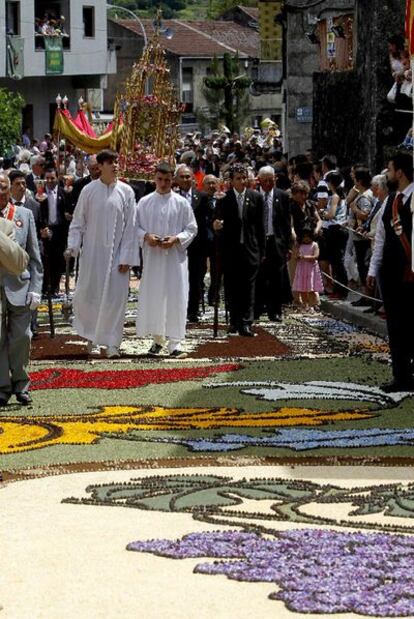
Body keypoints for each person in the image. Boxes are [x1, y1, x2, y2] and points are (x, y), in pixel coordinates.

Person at [66, 149, 137, 358]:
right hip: (92, 256)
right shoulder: (88, 191)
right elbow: (78, 223)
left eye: (117, 162)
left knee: (116, 300)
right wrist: (72, 247)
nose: (115, 166)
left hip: (118, 257)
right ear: (101, 166)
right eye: (111, 163)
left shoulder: (127, 192)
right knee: (91, 297)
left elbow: (131, 227)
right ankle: (93, 340)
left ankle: (113, 343)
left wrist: (127, 257)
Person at [135, 161, 198, 358]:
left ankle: (175, 343)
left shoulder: (181, 203)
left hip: (174, 260)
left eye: (167, 180)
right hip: (153, 259)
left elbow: (191, 228)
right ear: (154, 179)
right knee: (154, 297)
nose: (163, 184)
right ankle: (157, 340)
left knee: (175, 297)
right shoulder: (144, 202)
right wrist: (146, 236)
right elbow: (133, 227)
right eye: (160, 179)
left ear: (173, 180)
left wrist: (176, 239)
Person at [367, 152, 414, 392]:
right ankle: (401, 377)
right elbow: (382, 237)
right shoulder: (391, 200)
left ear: (400, 172)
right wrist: (373, 270)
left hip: (411, 274)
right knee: (395, 327)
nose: (387, 173)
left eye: (390, 169)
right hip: (391, 274)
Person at [0, 173, 42, 406]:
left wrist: (36, 288)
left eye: (3, 187)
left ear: (10, 189)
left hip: (20, 285)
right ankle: (2, 387)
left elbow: (35, 257)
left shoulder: (24, 215)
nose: (0, 192)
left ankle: (21, 384)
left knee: (22, 338)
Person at [213, 163, 265, 336]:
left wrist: (261, 252)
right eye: (238, 178)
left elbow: (260, 228)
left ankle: (246, 322)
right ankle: (235, 321)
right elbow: (216, 221)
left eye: (244, 178)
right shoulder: (224, 199)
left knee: (249, 287)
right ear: (232, 181)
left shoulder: (256, 198)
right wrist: (216, 225)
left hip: (250, 249)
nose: (242, 181)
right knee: (232, 286)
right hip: (231, 250)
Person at [255, 165, 293, 322]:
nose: (269, 183)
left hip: (276, 242)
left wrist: (288, 246)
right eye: (265, 180)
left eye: (272, 180)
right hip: (258, 243)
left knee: (277, 278)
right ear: (259, 181)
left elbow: (286, 222)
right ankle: (256, 309)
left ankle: (275, 311)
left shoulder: (282, 196)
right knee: (258, 277)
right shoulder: (253, 196)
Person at [174, 164, 210, 322]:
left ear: (193, 179)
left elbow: (207, 220)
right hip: (176, 245)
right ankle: (177, 311)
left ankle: (193, 311)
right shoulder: (171, 196)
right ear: (176, 179)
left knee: (195, 279)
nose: (185, 179)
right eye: (181, 176)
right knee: (177, 279)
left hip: (197, 246)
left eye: (188, 176)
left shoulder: (201, 197)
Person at [36, 167, 69, 296]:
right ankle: (44, 288)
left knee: (58, 261)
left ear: (57, 178)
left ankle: (54, 287)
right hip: (45, 230)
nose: (49, 181)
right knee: (45, 260)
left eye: (52, 178)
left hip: (59, 232)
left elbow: (67, 212)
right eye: (47, 178)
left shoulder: (64, 193)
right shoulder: (39, 193)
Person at [292, 226, 324, 312]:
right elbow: (295, 256)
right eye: (304, 237)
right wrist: (297, 256)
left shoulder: (314, 245)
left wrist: (304, 257)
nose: (306, 239)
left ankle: (314, 304)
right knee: (302, 288)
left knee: (311, 288)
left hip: (311, 269)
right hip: (302, 268)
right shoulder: (300, 245)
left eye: (308, 237)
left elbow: (316, 256)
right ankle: (305, 303)